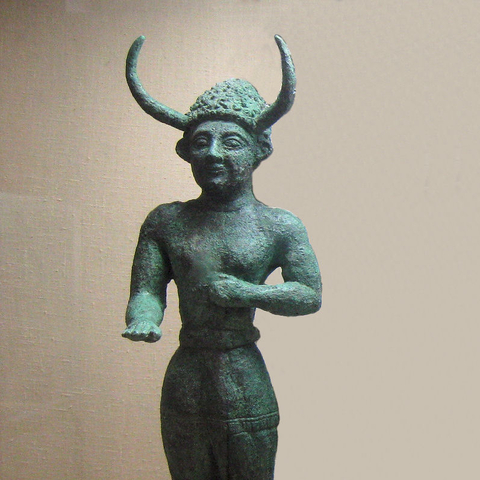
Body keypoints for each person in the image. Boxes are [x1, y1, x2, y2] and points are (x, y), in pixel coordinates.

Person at [122, 36, 322, 480]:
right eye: (201, 142)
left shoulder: (279, 225)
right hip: (188, 377)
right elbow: (146, 292)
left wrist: (246, 293)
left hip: (244, 374)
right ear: (185, 152)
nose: (213, 153)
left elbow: (309, 294)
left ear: (258, 149)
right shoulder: (166, 222)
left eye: (231, 141)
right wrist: (143, 319)